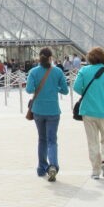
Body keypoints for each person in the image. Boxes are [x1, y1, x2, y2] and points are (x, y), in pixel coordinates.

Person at [73, 47, 104, 179]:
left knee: (92, 141)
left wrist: (87, 94)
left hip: (88, 112)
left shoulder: (84, 71)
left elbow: (76, 87)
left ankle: (95, 171)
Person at [25, 47, 69, 181]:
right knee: (52, 140)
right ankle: (53, 166)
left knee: (42, 139)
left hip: (38, 110)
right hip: (53, 111)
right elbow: (65, 91)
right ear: (51, 58)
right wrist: (54, 87)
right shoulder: (57, 71)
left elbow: (29, 89)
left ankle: (41, 168)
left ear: (39, 57)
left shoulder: (33, 71)